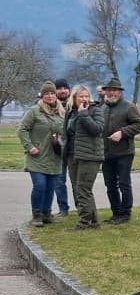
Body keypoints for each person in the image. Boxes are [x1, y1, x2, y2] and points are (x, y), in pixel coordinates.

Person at [18, 81, 65, 227]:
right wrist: (29, 146)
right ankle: (37, 214)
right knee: (40, 185)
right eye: (47, 94)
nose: (50, 96)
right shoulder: (34, 111)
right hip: (37, 156)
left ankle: (46, 212)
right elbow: (22, 129)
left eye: (52, 93)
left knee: (51, 186)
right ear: (42, 96)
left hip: (55, 156)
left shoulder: (62, 112)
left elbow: (67, 131)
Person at [100, 76, 140, 224]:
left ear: (119, 92)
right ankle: (116, 212)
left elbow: (139, 125)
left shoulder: (128, 107)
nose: (111, 93)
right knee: (110, 184)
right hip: (106, 152)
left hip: (124, 152)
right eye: (109, 90)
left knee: (124, 183)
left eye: (114, 90)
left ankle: (125, 213)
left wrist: (122, 133)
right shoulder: (103, 108)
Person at [63, 84, 108, 230]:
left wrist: (84, 114)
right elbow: (68, 132)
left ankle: (83, 222)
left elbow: (97, 130)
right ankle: (93, 221)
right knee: (78, 189)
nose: (84, 99)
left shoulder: (96, 110)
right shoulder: (70, 112)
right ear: (74, 98)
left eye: (86, 96)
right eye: (81, 96)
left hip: (90, 155)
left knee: (83, 189)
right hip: (73, 155)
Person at [53, 78, 72, 217]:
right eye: (59, 88)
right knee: (59, 181)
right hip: (57, 148)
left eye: (65, 88)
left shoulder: (75, 104)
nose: (62, 90)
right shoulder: (50, 105)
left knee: (78, 182)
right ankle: (63, 209)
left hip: (74, 149)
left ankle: (81, 208)